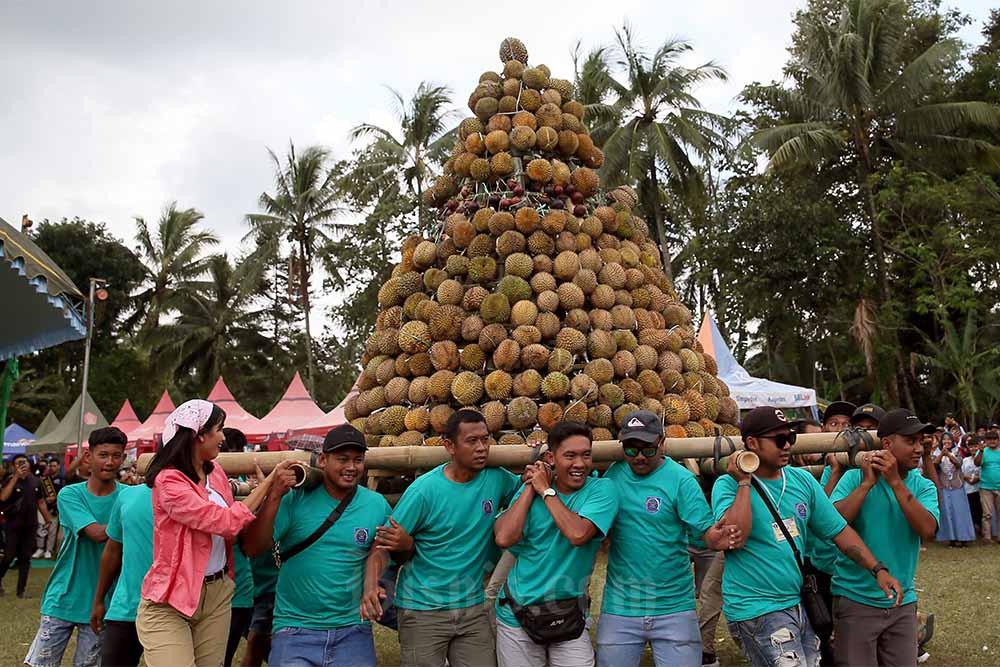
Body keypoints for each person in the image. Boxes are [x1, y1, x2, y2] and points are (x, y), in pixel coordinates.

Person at [712, 407, 901, 667]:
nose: (787, 446)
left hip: (795, 602)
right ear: (752, 443)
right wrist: (744, 482)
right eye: (779, 440)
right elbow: (736, 537)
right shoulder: (727, 485)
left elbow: (839, 531)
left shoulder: (802, 480)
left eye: (790, 438)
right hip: (755, 609)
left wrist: (877, 569)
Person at [136, 400, 295, 667]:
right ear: (198, 434)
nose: (223, 437)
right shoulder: (169, 481)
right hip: (171, 599)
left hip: (217, 593)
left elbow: (240, 527)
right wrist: (269, 482)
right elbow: (224, 522)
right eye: (219, 429)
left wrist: (270, 495)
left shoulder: (217, 473)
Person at [365, 409, 520, 667]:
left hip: (473, 607)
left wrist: (539, 453)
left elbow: (525, 491)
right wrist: (371, 584)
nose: (482, 448)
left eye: (485, 439)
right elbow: (383, 542)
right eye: (472, 441)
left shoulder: (497, 478)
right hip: (423, 609)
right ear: (449, 446)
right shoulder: (424, 491)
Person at [598, 410, 739, 667]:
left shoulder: (681, 480)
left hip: (674, 605)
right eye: (631, 449)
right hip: (621, 606)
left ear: (661, 443)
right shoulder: (612, 477)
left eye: (648, 449)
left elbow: (704, 531)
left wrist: (715, 538)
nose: (639, 456)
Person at [243, 424, 390, 667]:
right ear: (322, 460)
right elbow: (253, 548)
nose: (352, 467)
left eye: (358, 460)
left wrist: (372, 582)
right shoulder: (295, 498)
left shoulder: (376, 504)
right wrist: (275, 495)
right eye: (342, 459)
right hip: (294, 629)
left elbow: (382, 548)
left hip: (352, 630)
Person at [493, 420, 619, 667]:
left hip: (568, 612)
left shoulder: (602, 490)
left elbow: (578, 534)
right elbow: (504, 538)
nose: (580, 464)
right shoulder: (533, 490)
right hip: (518, 612)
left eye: (586, 455)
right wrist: (532, 489)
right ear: (551, 457)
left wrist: (547, 492)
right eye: (570, 456)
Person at [830, 408, 940, 666]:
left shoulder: (923, 485)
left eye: (920, 442)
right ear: (888, 444)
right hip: (854, 599)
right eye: (910, 441)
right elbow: (833, 524)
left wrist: (895, 482)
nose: (918, 449)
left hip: (903, 602)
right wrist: (867, 485)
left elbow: (928, 531)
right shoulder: (854, 477)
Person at [24, 427, 127, 667]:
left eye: (116, 455)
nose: (110, 462)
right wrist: (130, 517)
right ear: (88, 457)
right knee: (41, 664)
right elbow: (96, 534)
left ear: (123, 458)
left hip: (104, 601)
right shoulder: (70, 495)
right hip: (63, 596)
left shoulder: (128, 496)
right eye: (103, 455)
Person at [90, 472, 154, 667]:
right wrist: (99, 600)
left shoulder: (199, 497)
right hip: (126, 608)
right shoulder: (128, 496)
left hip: (173, 610)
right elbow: (112, 550)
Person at [221, 428, 256, 667]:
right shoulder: (197, 482)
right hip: (209, 590)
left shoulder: (243, 483)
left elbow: (248, 541)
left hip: (238, 587)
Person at [0, 453, 53, 598]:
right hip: (12, 524)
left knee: (25, 557)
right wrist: (16, 477)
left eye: (24, 462)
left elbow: (40, 501)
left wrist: (48, 519)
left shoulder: (35, 481)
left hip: (30, 525)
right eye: (18, 463)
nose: (22, 465)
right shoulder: (10, 480)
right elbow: (3, 497)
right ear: (13, 466)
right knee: (9, 555)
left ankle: (21, 591)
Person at [932, 431, 975, 546]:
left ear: (952, 441)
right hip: (944, 486)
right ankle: (951, 538)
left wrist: (949, 455)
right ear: (941, 441)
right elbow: (934, 465)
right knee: (948, 513)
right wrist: (942, 454)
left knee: (960, 512)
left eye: (949, 439)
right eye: (944, 439)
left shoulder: (957, 452)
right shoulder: (936, 453)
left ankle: (964, 538)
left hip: (957, 486)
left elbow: (958, 464)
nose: (947, 441)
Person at [33, 457, 66, 559]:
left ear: (59, 467)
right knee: (41, 528)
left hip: (55, 509)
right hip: (43, 507)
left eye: (54, 466)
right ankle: (40, 548)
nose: (52, 468)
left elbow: (64, 493)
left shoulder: (62, 479)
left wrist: (55, 498)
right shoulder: (44, 479)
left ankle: (48, 550)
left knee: (52, 530)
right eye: (50, 466)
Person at [974, 429, 1000, 543]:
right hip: (986, 487)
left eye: (995, 439)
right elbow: (977, 463)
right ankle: (987, 537)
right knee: (987, 514)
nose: (992, 441)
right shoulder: (983, 451)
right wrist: (980, 451)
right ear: (986, 441)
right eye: (990, 439)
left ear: (998, 440)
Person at [962, 437, 983, 535]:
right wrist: (968, 479)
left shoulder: (983, 458)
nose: (973, 449)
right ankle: (974, 529)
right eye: (971, 447)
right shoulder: (965, 460)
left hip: (980, 488)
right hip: (968, 489)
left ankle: (982, 529)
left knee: (981, 510)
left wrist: (977, 478)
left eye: (975, 446)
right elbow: (961, 473)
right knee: (972, 510)